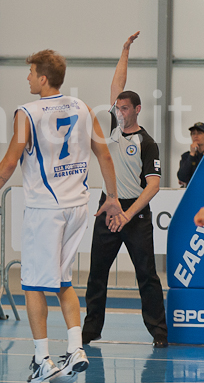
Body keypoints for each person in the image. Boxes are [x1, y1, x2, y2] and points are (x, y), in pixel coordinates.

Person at [0, 49, 121, 383]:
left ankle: (42, 360)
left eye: (31, 72)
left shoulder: (28, 112)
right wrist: (111, 197)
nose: (27, 78)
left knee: (33, 284)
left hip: (45, 210)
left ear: (43, 78)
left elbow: (9, 163)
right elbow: (104, 155)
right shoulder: (83, 108)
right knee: (63, 280)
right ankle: (76, 348)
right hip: (78, 206)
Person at [81, 32, 168, 349]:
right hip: (108, 209)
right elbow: (116, 84)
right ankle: (90, 330)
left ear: (137, 110)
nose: (118, 110)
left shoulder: (148, 143)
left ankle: (159, 331)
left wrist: (128, 214)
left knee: (147, 275)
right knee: (97, 275)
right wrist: (124, 51)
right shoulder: (114, 129)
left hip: (135, 213)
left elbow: (154, 185)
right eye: (116, 107)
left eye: (125, 108)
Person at [177, 122, 204, 186]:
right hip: (192, 190)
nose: (196, 136)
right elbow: (182, 177)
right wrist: (192, 154)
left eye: (200, 133)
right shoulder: (186, 156)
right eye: (193, 134)